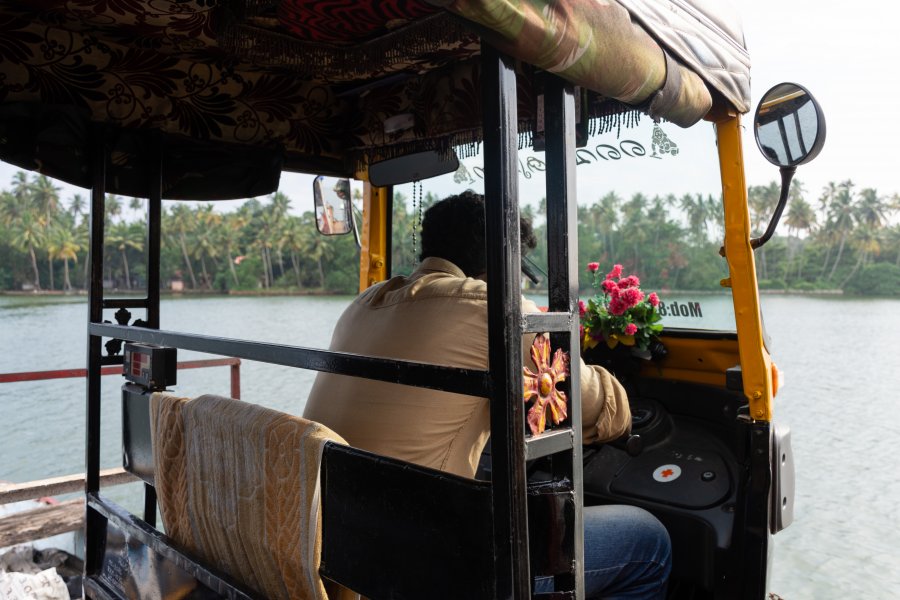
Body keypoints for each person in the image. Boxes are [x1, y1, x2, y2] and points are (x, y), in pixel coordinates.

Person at [303, 190, 671, 599]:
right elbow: (595, 408)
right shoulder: (495, 311)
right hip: (421, 563)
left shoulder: (363, 303)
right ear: (501, 261)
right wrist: (618, 404)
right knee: (648, 541)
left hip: (333, 548)